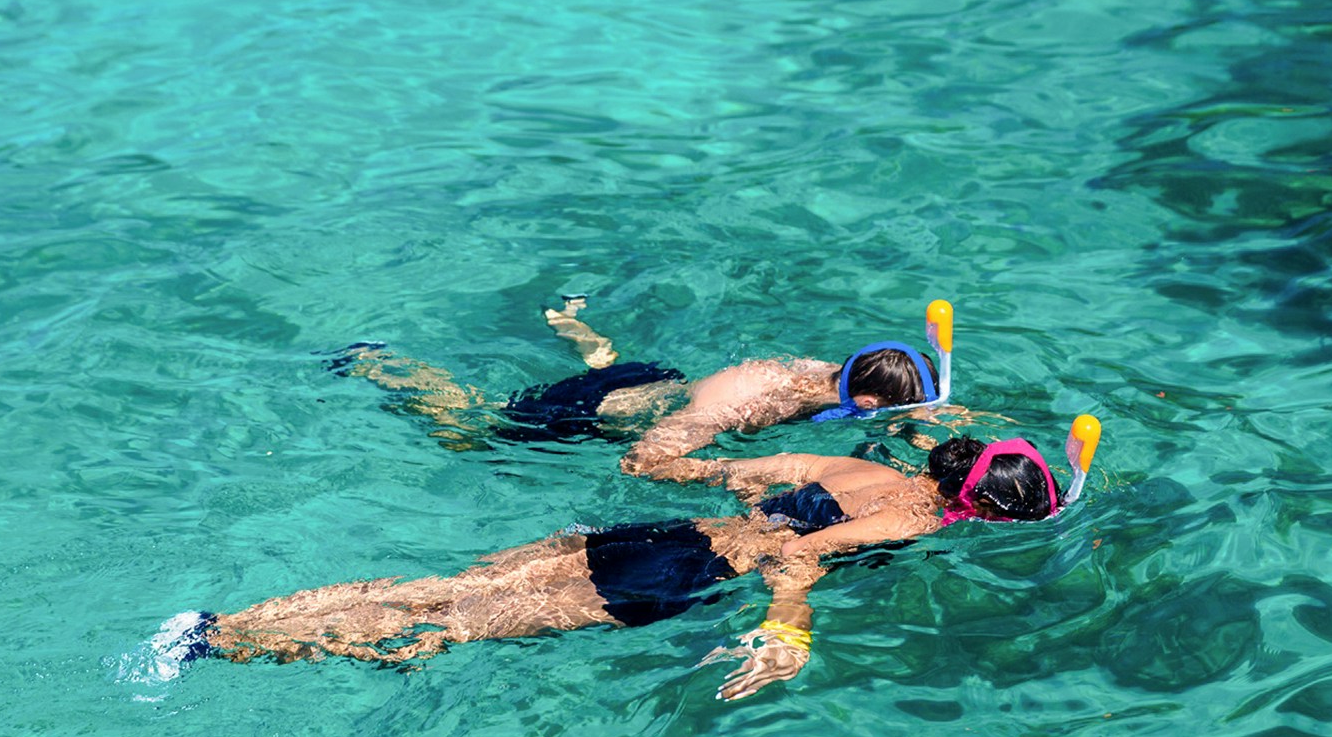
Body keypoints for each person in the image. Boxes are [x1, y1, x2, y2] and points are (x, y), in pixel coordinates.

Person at [162, 434, 1072, 701]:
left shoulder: (862, 467)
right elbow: (800, 553)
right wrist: (788, 629)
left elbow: (744, 476)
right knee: (448, 630)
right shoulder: (913, 517)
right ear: (981, 508)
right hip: (675, 580)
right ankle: (220, 648)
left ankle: (221, 620)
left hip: (656, 534)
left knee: (442, 589)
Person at [333, 294, 942, 482]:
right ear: (863, 401)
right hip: (592, 412)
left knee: (615, 367)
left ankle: (573, 323)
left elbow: (891, 403)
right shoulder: (750, 399)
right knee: (470, 430)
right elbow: (641, 462)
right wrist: (744, 473)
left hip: (657, 383)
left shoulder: (827, 373)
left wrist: (923, 421)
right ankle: (378, 364)